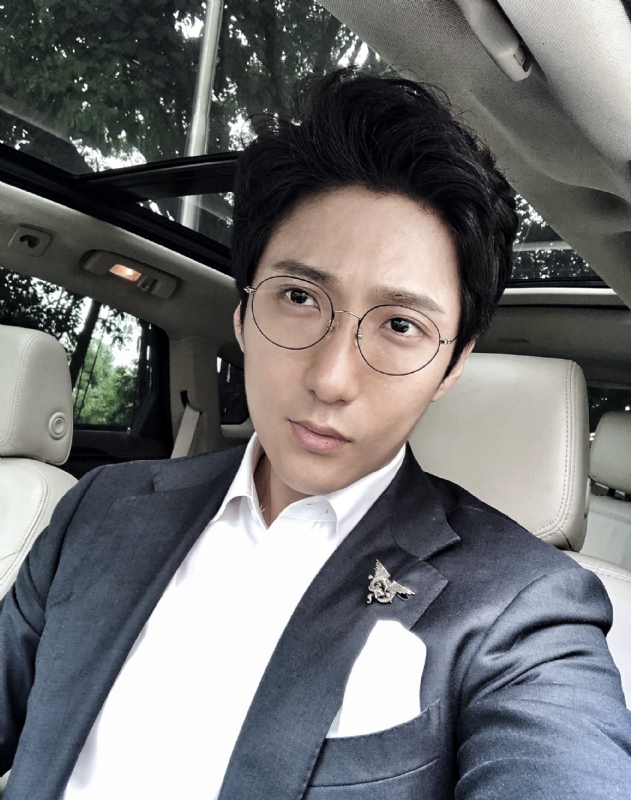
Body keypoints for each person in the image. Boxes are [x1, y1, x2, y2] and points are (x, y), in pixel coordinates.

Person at [1, 69, 630, 800]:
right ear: (242, 314)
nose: (331, 378)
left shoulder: (524, 611)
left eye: (401, 325)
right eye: (299, 296)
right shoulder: (100, 507)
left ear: (453, 364)